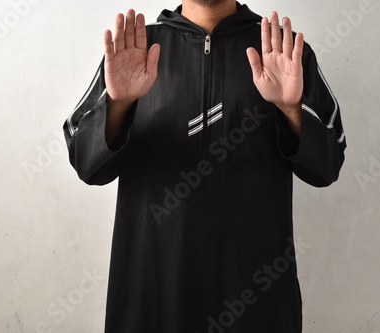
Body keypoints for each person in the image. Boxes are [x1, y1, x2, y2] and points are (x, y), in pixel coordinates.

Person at [63, 0, 346, 332]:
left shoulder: (283, 50)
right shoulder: (136, 47)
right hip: (151, 292)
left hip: (257, 295)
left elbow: (328, 165)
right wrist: (119, 104)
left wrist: (291, 110)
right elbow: (86, 162)